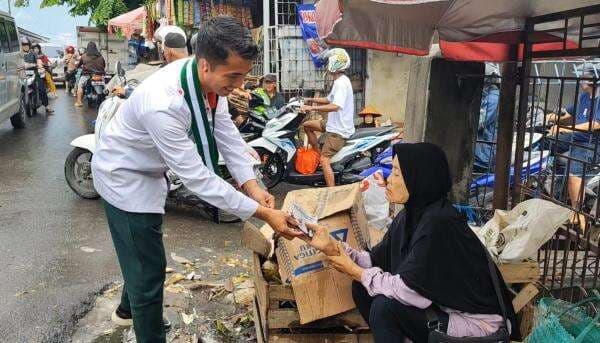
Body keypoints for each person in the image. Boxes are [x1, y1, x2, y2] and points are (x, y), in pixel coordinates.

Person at [91, 16, 302, 343]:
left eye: (244, 75)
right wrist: (265, 214)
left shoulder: (204, 81)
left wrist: (254, 186)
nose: (240, 84)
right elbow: (199, 180)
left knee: (142, 255)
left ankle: (126, 310)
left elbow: (227, 135)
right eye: (234, 76)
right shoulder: (165, 103)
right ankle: (147, 329)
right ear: (206, 65)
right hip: (124, 178)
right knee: (149, 273)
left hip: (149, 170)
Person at [305, 143, 519, 343]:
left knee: (384, 307)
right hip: (444, 309)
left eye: (397, 173)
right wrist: (335, 247)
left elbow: (410, 292)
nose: (389, 179)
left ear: (419, 178)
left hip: (479, 324)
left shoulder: (439, 224)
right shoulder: (409, 217)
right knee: (362, 288)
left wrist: (356, 271)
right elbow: (376, 259)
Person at [545, 69, 600, 228]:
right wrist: (546, 117)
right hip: (576, 137)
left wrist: (567, 129)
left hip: (590, 142)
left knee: (574, 171)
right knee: (545, 142)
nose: (581, 80)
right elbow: (566, 113)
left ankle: (578, 214)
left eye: (585, 78)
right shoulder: (584, 97)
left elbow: (595, 124)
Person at [300, 48, 355, 187]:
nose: (326, 65)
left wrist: (312, 107)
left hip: (338, 131)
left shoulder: (342, 83)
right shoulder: (338, 81)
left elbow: (335, 106)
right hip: (332, 123)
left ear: (335, 63)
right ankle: (318, 153)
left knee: (325, 161)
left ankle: (332, 192)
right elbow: (329, 99)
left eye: (329, 61)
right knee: (307, 125)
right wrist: (308, 99)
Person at [112, 30, 189, 99]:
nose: (164, 54)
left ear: (170, 52)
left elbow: (152, 97)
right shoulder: (191, 66)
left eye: (164, 51)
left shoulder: (172, 72)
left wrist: (126, 93)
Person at [473, 64, 500, 172]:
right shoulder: (483, 95)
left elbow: (479, 123)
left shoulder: (493, 97)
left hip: (482, 157)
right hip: (475, 154)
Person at [21, 38, 54, 114]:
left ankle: (47, 106)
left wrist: (40, 65)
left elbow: (38, 61)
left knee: (41, 88)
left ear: (29, 45)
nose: (25, 46)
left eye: (26, 45)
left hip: (34, 74)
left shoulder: (33, 54)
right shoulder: (19, 54)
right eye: (23, 45)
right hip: (23, 75)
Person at [75, 41, 106, 107]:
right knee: (101, 89)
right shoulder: (100, 56)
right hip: (98, 75)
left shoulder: (83, 56)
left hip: (86, 75)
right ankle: (100, 101)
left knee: (80, 86)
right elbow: (104, 65)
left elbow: (78, 65)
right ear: (95, 48)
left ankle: (79, 102)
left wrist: (77, 67)